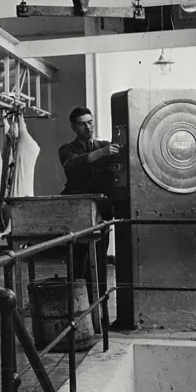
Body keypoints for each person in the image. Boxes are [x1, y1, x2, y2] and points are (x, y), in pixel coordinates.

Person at [58, 106, 120, 304]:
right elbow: (71, 166)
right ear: (73, 127)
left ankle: (99, 304)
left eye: (90, 122)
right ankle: (77, 306)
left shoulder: (105, 146)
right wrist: (101, 153)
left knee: (100, 259)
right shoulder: (67, 149)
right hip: (77, 213)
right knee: (77, 261)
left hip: (101, 213)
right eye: (82, 124)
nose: (88, 127)